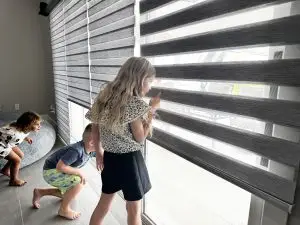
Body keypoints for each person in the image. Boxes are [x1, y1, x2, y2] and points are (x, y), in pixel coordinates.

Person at [88, 57, 161, 225]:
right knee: (133, 209)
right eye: (150, 82)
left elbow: (95, 128)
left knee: (104, 203)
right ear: (141, 79)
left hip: (110, 158)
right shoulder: (133, 103)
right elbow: (140, 137)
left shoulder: (104, 96)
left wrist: (99, 152)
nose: (150, 87)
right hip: (130, 162)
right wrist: (152, 110)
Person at [32, 124, 96, 220]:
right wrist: (78, 172)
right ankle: (63, 209)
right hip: (51, 171)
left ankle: (40, 192)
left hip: (59, 170)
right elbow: (60, 167)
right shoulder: (76, 151)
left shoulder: (91, 150)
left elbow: (104, 155)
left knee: (70, 194)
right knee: (79, 182)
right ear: (92, 143)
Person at [0, 111, 41, 186]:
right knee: (17, 160)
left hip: (8, 143)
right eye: (37, 124)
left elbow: (23, 134)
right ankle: (13, 180)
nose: (39, 126)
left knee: (20, 155)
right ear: (28, 125)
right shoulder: (13, 133)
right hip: (2, 146)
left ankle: (5, 170)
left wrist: (26, 138)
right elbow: (2, 131)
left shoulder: (24, 129)